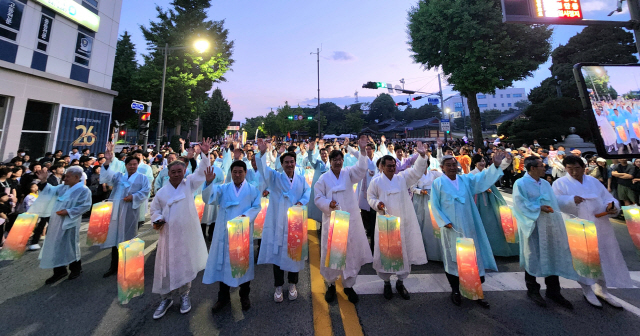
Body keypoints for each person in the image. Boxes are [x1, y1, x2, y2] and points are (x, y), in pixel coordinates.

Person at [430, 151, 510, 308]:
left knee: (473, 259)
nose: (452, 167)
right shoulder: (438, 183)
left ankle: (476, 291)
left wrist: (495, 165)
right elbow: (434, 205)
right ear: (442, 167)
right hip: (451, 229)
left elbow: (482, 178)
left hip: (469, 226)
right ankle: (455, 290)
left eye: (454, 164)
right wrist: (443, 221)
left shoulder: (465, 180)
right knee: (454, 260)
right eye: (449, 165)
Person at [552, 155, 633, 308]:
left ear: (584, 168)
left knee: (604, 256)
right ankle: (587, 289)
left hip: (600, 225)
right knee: (584, 259)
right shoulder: (560, 183)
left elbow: (608, 198)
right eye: (570, 169)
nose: (574, 172)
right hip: (578, 226)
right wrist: (570, 201)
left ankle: (602, 289)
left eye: (577, 168)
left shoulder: (593, 181)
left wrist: (611, 207)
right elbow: (555, 202)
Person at [149, 138, 212, 320]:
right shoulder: (161, 193)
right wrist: (158, 219)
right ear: (168, 174)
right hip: (168, 236)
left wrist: (205, 154)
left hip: (185, 234)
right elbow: (155, 210)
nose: (177, 174)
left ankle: (185, 295)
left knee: (185, 264)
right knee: (165, 267)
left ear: (184, 172)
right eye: (173, 172)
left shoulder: (189, 184)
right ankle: (165, 298)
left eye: (179, 171)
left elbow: (201, 172)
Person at [512, 157, 578, 309]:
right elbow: (519, 204)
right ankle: (532, 289)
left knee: (552, 254)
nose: (545, 168)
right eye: (542, 165)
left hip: (549, 225)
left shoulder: (546, 183)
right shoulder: (520, 183)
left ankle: (553, 290)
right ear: (532, 168)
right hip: (533, 226)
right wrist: (538, 208)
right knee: (532, 255)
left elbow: (553, 202)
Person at [366, 142, 429, 300]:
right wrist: (376, 204)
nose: (392, 168)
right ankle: (386, 283)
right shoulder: (376, 181)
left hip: (403, 222)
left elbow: (416, 172)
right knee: (386, 252)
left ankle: (401, 282)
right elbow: (370, 197)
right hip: (385, 223)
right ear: (381, 166)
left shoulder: (402, 178)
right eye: (389, 166)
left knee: (403, 251)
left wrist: (422, 156)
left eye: (394, 166)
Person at [314, 135, 372, 304]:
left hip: (350, 219)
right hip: (332, 221)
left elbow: (362, 169)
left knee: (350, 252)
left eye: (340, 160)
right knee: (332, 253)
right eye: (335, 160)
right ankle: (331, 284)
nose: (338, 163)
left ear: (342, 160)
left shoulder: (348, 174)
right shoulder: (323, 178)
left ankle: (348, 285)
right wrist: (328, 204)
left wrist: (361, 150)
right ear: (330, 162)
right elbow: (318, 198)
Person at [255, 138, 310, 303]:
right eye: (286, 162)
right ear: (281, 163)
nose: (289, 164)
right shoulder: (275, 177)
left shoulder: (300, 179)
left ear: (295, 162)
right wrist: (263, 153)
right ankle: (278, 286)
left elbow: (307, 192)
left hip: (295, 222)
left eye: (292, 161)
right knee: (278, 254)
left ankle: (293, 284)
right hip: (278, 222)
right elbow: (263, 169)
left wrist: (301, 202)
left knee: (294, 253)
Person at [202, 160, 261, 313]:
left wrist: (244, 217)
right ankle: (223, 298)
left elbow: (256, 207)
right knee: (224, 265)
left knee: (242, 264)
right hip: (224, 234)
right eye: (234, 172)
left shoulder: (253, 190)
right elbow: (209, 199)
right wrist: (208, 183)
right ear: (231, 173)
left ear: (245, 173)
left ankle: (244, 296)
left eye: (240, 172)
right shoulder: (223, 188)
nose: (237, 175)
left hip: (241, 233)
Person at [30, 166, 92, 284]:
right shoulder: (63, 187)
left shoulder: (84, 190)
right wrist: (43, 181)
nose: (65, 179)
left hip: (70, 222)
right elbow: (49, 191)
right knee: (55, 245)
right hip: (56, 221)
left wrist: (68, 212)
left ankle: (76, 269)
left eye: (68, 176)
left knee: (70, 245)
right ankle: (59, 271)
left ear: (76, 177)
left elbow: (86, 206)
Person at [100, 143, 151, 278]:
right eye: (130, 164)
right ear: (126, 165)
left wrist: (133, 197)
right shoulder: (119, 176)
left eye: (135, 164)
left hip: (130, 211)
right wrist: (108, 160)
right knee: (115, 239)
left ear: (138, 165)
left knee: (128, 240)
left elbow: (145, 191)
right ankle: (114, 266)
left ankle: (127, 267)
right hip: (117, 212)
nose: (132, 166)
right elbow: (107, 175)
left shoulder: (142, 178)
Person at [471, 160, 519, 257]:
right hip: (478, 199)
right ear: (475, 163)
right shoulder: (472, 174)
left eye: (483, 161)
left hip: (491, 198)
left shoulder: (487, 171)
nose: (482, 163)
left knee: (496, 221)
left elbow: (497, 173)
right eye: (479, 161)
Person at [410, 162, 443, 261]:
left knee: (431, 223)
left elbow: (444, 177)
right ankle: (419, 250)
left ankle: (434, 251)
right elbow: (412, 188)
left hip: (431, 197)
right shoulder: (416, 175)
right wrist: (420, 191)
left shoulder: (433, 174)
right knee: (420, 221)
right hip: (420, 199)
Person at [356, 142, 380, 253]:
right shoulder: (363, 159)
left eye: (370, 149)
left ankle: (373, 244)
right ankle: (367, 237)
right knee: (365, 216)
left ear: (374, 150)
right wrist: (348, 147)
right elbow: (356, 154)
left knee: (373, 217)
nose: (368, 151)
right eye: (367, 149)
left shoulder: (378, 159)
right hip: (364, 191)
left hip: (375, 193)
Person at [307, 139, 329, 224]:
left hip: (328, 187)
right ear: (320, 155)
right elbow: (310, 158)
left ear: (328, 154)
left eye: (325, 153)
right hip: (319, 187)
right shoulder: (317, 163)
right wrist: (310, 150)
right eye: (322, 154)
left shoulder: (331, 164)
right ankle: (320, 223)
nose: (324, 155)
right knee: (319, 206)